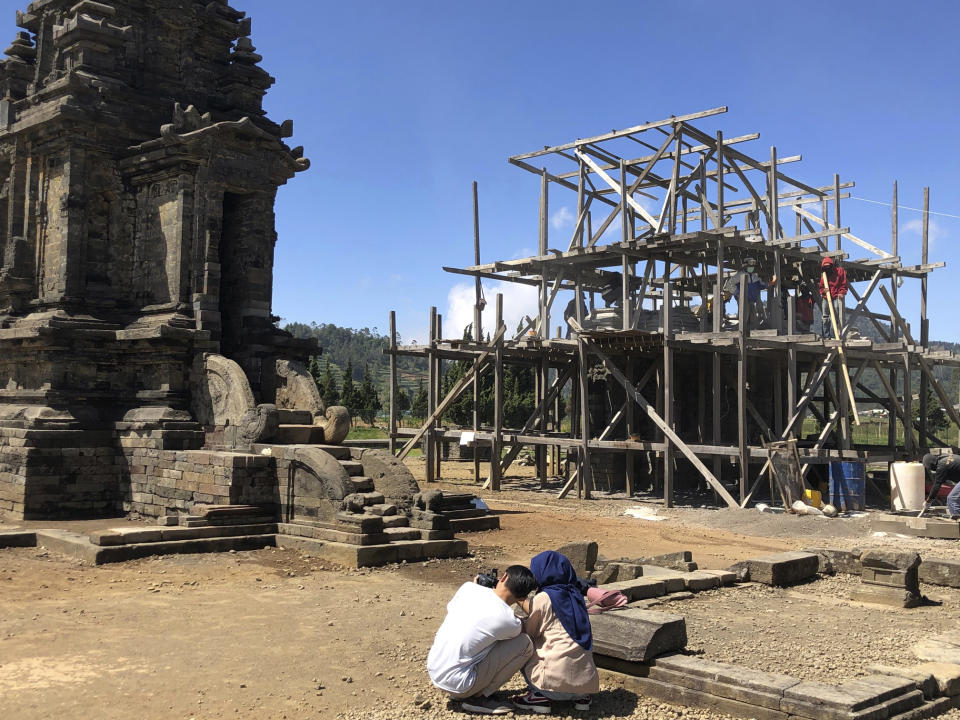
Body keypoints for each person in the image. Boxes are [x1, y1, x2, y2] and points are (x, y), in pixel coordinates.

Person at [427, 566, 538, 715]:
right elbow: (523, 628)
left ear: (504, 577)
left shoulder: (468, 588)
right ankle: (479, 698)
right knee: (524, 644)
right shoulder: (509, 621)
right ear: (521, 597)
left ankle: (465, 693)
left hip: (435, 670)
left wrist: (481, 588)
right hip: (461, 684)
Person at [514, 551, 600, 714]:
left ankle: (539, 695)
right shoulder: (577, 597)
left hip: (552, 686)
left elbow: (531, 631)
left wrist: (515, 613)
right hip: (585, 686)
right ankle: (581, 698)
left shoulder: (544, 597)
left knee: (524, 642)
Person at [724, 257, 776, 330]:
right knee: (745, 315)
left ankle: (751, 331)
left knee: (753, 316)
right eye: (750, 266)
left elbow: (761, 285)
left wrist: (772, 282)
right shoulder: (740, 275)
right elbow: (729, 284)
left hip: (752, 299)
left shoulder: (755, 276)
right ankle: (741, 332)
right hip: (743, 299)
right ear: (745, 266)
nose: (751, 268)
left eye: (752, 267)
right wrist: (738, 293)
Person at [921, 452, 960, 519]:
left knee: (952, 499)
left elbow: (936, 486)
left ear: (931, 465)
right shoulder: (945, 456)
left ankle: (957, 525)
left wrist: (928, 501)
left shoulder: (941, 466)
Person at [817, 257, 848, 338]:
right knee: (825, 317)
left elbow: (844, 284)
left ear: (831, 265)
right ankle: (826, 336)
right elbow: (820, 287)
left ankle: (834, 334)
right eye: (825, 266)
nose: (827, 268)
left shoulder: (840, 271)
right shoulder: (824, 274)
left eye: (828, 266)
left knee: (835, 315)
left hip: (835, 296)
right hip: (826, 297)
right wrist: (824, 290)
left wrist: (842, 293)